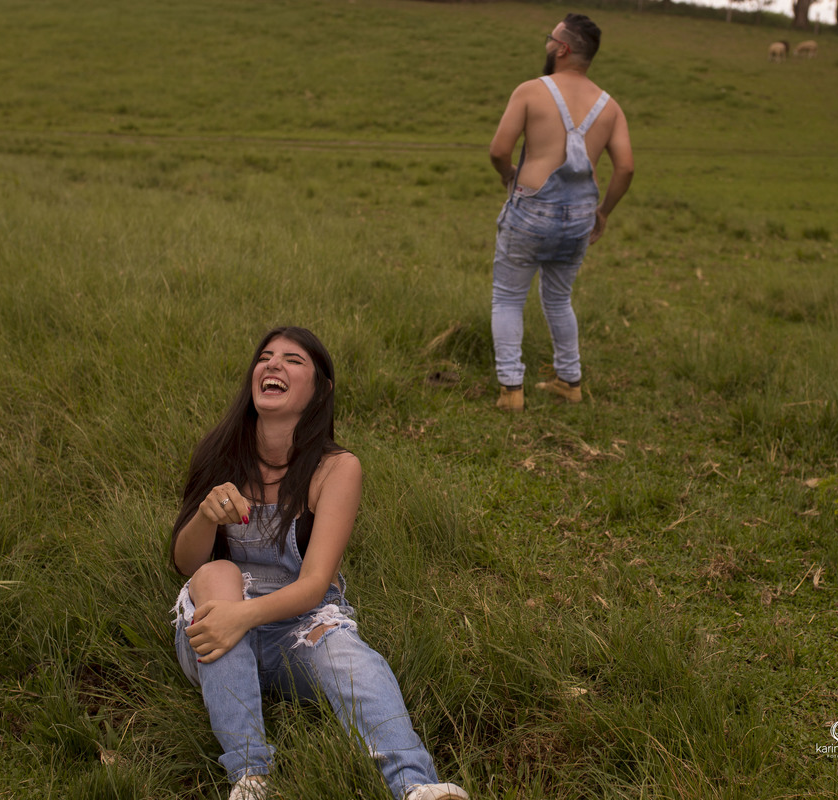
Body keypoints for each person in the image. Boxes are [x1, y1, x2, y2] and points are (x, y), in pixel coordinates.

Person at [169, 326, 469, 800]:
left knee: (350, 657)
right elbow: (185, 562)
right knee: (217, 573)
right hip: (215, 641)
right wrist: (206, 517)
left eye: (293, 360)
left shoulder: (337, 469)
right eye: (265, 357)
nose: (273, 365)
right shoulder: (219, 452)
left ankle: (418, 786)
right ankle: (250, 777)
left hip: (298, 628)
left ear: (320, 388)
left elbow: (313, 586)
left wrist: (240, 617)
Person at [488, 13, 634, 411]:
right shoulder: (610, 106)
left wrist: (509, 176)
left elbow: (499, 150)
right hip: (579, 218)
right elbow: (626, 168)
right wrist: (603, 213)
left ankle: (511, 391)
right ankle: (570, 381)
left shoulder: (531, 91)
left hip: (530, 211)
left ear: (563, 48)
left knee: (507, 299)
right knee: (558, 299)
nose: (547, 44)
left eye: (549, 38)